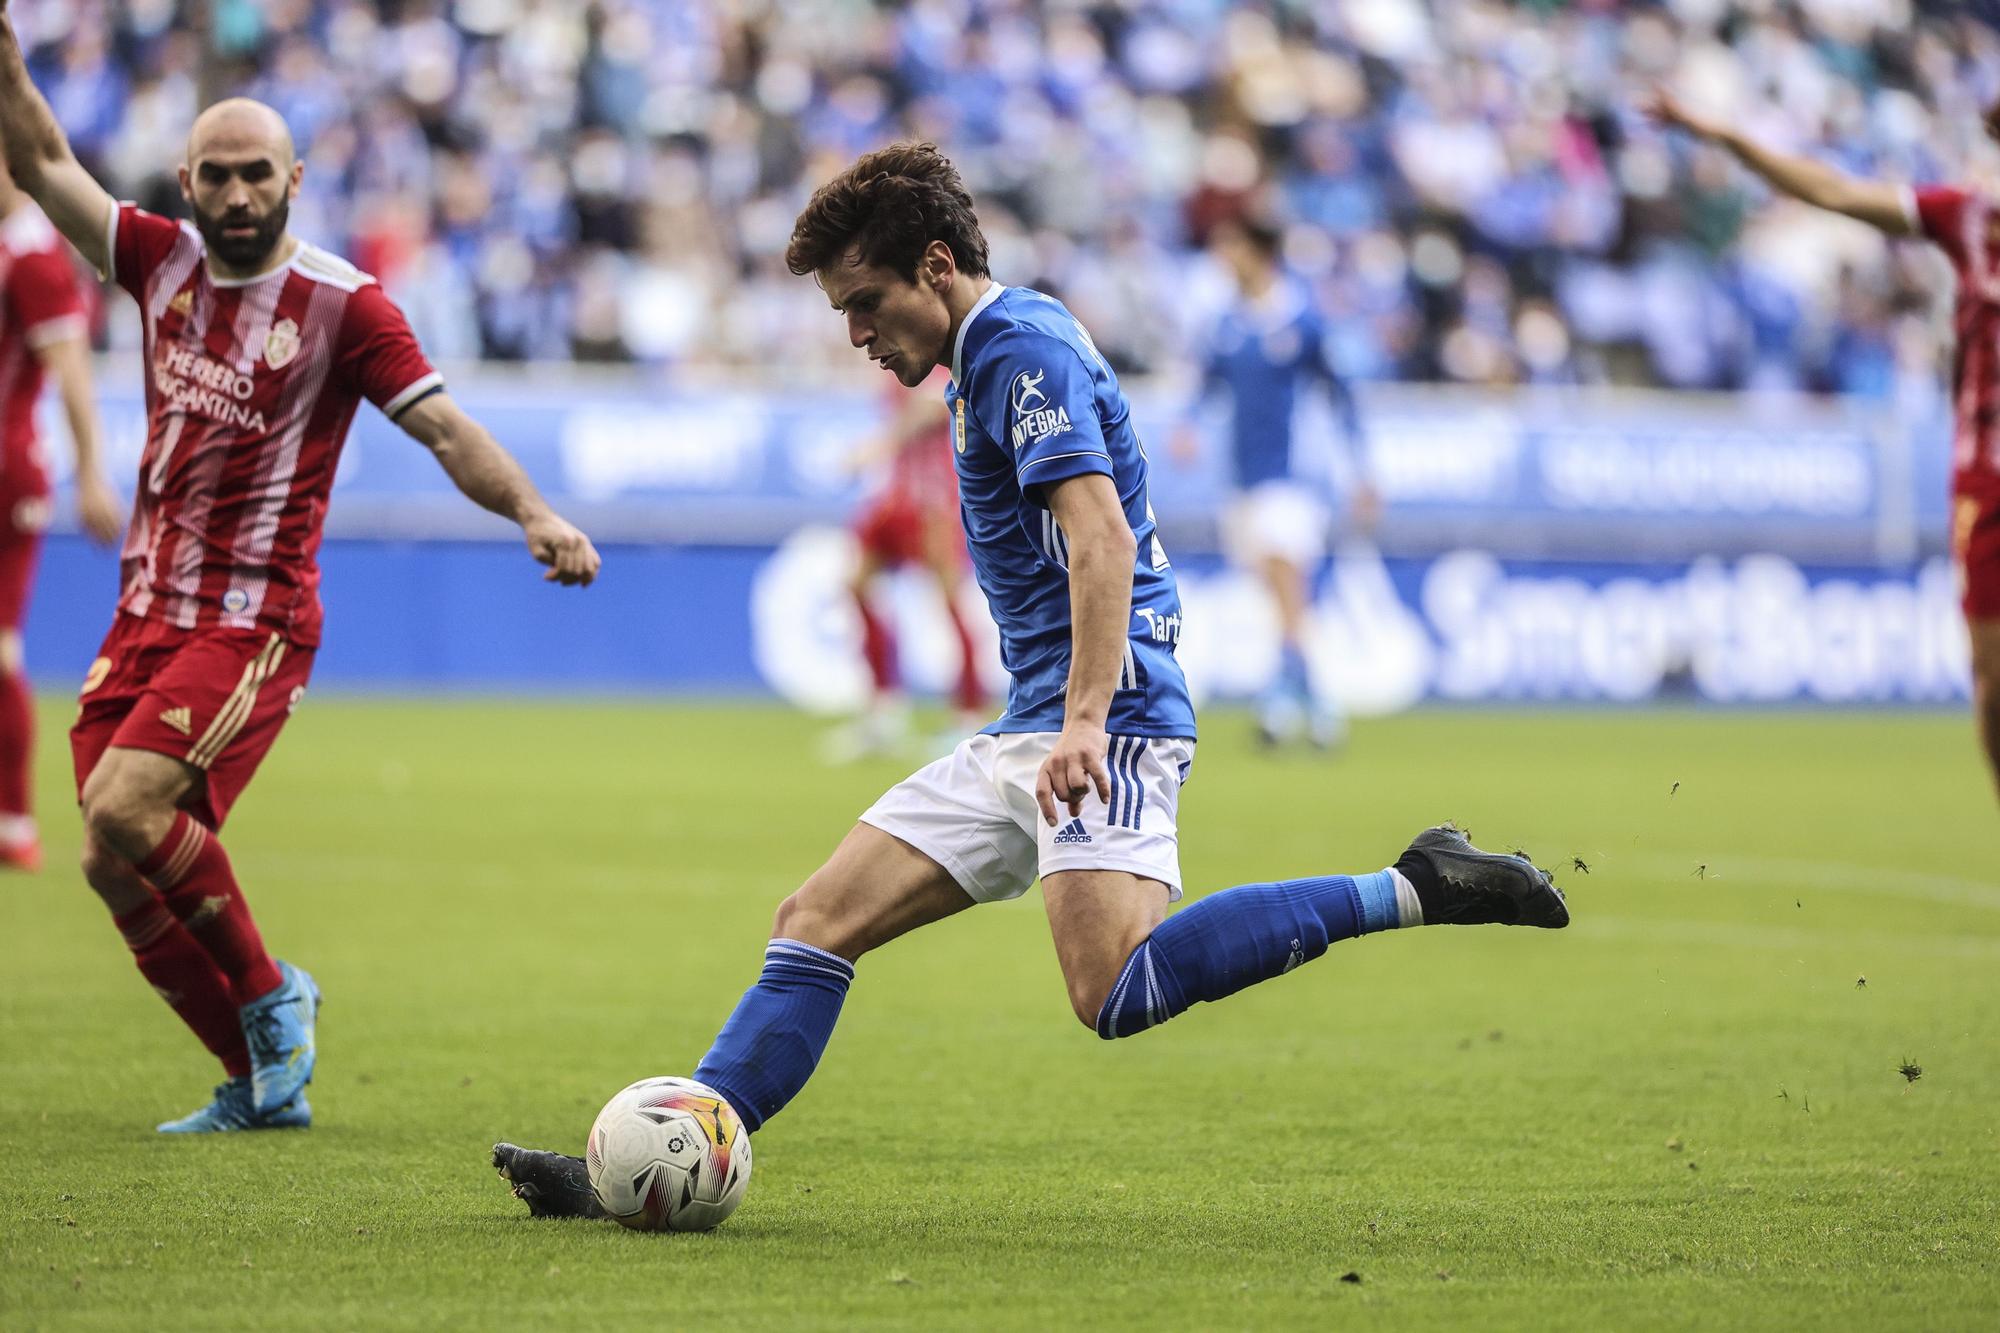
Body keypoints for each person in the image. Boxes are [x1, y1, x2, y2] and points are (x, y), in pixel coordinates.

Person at [492, 142, 1567, 1219]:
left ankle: (1416, 883)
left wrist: (1088, 720)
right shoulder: (983, 354)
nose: (857, 334)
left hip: (1110, 718)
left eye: (865, 304)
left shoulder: (1018, 349)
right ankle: (672, 1151)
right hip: (1032, 725)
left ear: (936, 262)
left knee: (1114, 988)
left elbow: (1098, 535)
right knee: (816, 918)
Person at [0, 2, 602, 1133]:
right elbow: (37, 157)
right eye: (216, 176)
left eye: (256, 175)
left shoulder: (343, 305)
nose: (235, 196)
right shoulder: (154, 258)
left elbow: (443, 428)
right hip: (145, 610)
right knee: (106, 858)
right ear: (185, 180)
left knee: (128, 807)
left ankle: (273, 992)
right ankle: (258, 1076)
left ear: (297, 177)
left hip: (254, 619)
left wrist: (532, 510)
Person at [1647, 88, 2000, 806]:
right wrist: (1726, 134)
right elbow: (1832, 190)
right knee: (1992, 679)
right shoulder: (1969, 216)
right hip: (1985, 478)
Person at [1176, 215, 1376, 748]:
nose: (1223, 258)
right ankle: (1312, 699)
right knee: (1280, 595)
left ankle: (1286, 705)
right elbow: (1207, 385)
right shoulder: (1227, 324)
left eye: (1232, 246)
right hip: (1242, 481)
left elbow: (1343, 396)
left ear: (1257, 252)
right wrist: (1189, 427)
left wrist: (1361, 469)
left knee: (1286, 581)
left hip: (1293, 479)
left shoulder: (1303, 322)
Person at [0, 157, 122, 870]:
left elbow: (72, 370)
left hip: (8, 472)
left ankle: (14, 822)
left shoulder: (36, 256)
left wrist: (92, 475)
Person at [827, 367, 984, 761]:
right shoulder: (893, 363)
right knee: (855, 584)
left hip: (936, 502)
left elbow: (932, 408)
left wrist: (875, 447)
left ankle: (968, 719)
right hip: (896, 498)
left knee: (950, 603)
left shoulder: (942, 361)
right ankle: (884, 714)